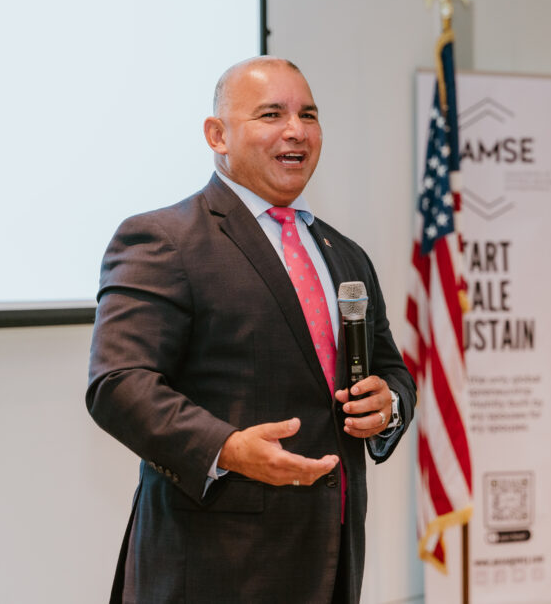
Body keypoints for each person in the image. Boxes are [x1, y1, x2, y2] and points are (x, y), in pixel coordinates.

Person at [86, 56, 416, 604]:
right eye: (271, 114)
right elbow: (118, 383)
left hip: (330, 560)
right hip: (216, 567)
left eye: (308, 115)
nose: (296, 131)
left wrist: (388, 407)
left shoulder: (345, 254)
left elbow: (391, 371)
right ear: (218, 134)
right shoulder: (163, 239)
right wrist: (228, 448)